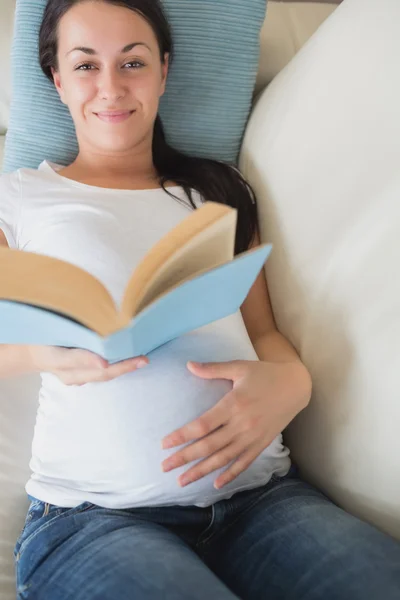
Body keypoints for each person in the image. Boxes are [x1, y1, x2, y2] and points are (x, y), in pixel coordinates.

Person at [1, 1, 399, 598]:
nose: (111, 87)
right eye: (85, 65)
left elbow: (263, 332)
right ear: (56, 80)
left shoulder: (217, 190)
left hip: (261, 500)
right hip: (95, 520)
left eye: (132, 62)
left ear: (163, 70)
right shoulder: (20, 197)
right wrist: (41, 354)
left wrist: (293, 383)